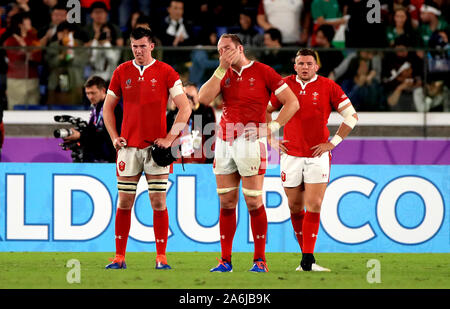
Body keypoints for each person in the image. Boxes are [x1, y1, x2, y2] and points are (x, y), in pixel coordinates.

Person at [198, 33, 299, 273]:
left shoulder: (263, 71)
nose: (223, 53)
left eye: (227, 49)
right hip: (224, 142)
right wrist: (220, 69)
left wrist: (271, 127)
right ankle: (225, 260)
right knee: (226, 202)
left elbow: (292, 102)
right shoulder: (223, 74)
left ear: (240, 48)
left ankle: (260, 260)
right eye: (220, 50)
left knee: (253, 201)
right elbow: (202, 99)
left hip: (250, 142)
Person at [103, 27, 191, 270]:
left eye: (142, 46)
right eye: (134, 46)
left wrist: (170, 138)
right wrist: (114, 137)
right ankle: (119, 257)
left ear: (152, 46)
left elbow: (185, 108)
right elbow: (107, 108)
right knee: (124, 202)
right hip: (128, 148)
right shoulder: (122, 71)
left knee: (158, 202)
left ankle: (161, 257)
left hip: (156, 150)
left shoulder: (166, 71)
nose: (138, 50)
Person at [267, 48, 358, 271]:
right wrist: (270, 136)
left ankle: (307, 260)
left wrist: (333, 143)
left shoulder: (329, 86)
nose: (305, 67)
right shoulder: (284, 85)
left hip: (318, 155)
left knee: (314, 204)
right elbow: (266, 109)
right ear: (294, 66)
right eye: (301, 63)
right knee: (295, 207)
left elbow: (352, 116)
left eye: (309, 63)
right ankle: (307, 256)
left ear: (316, 66)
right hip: (290, 155)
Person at [61, 75, 122, 163]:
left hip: (112, 159)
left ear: (103, 90)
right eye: (87, 93)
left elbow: (110, 135)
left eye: (93, 93)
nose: (90, 97)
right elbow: (93, 130)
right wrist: (79, 134)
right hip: (99, 158)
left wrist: (81, 136)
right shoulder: (96, 107)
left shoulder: (114, 107)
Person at [166, 82, 216, 163]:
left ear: (197, 97)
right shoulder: (174, 111)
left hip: (199, 159)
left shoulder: (206, 111)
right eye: (186, 96)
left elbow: (210, 136)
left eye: (192, 97)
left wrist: (192, 110)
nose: (189, 99)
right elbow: (168, 135)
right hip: (178, 159)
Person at [3, 11, 41, 110]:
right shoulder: (10, 41)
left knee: (34, 108)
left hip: (32, 79)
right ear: (20, 24)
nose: (30, 22)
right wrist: (26, 51)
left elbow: (38, 57)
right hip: (16, 80)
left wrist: (26, 50)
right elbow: (16, 59)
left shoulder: (33, 39)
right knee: (15, 108)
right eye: (27, 20)